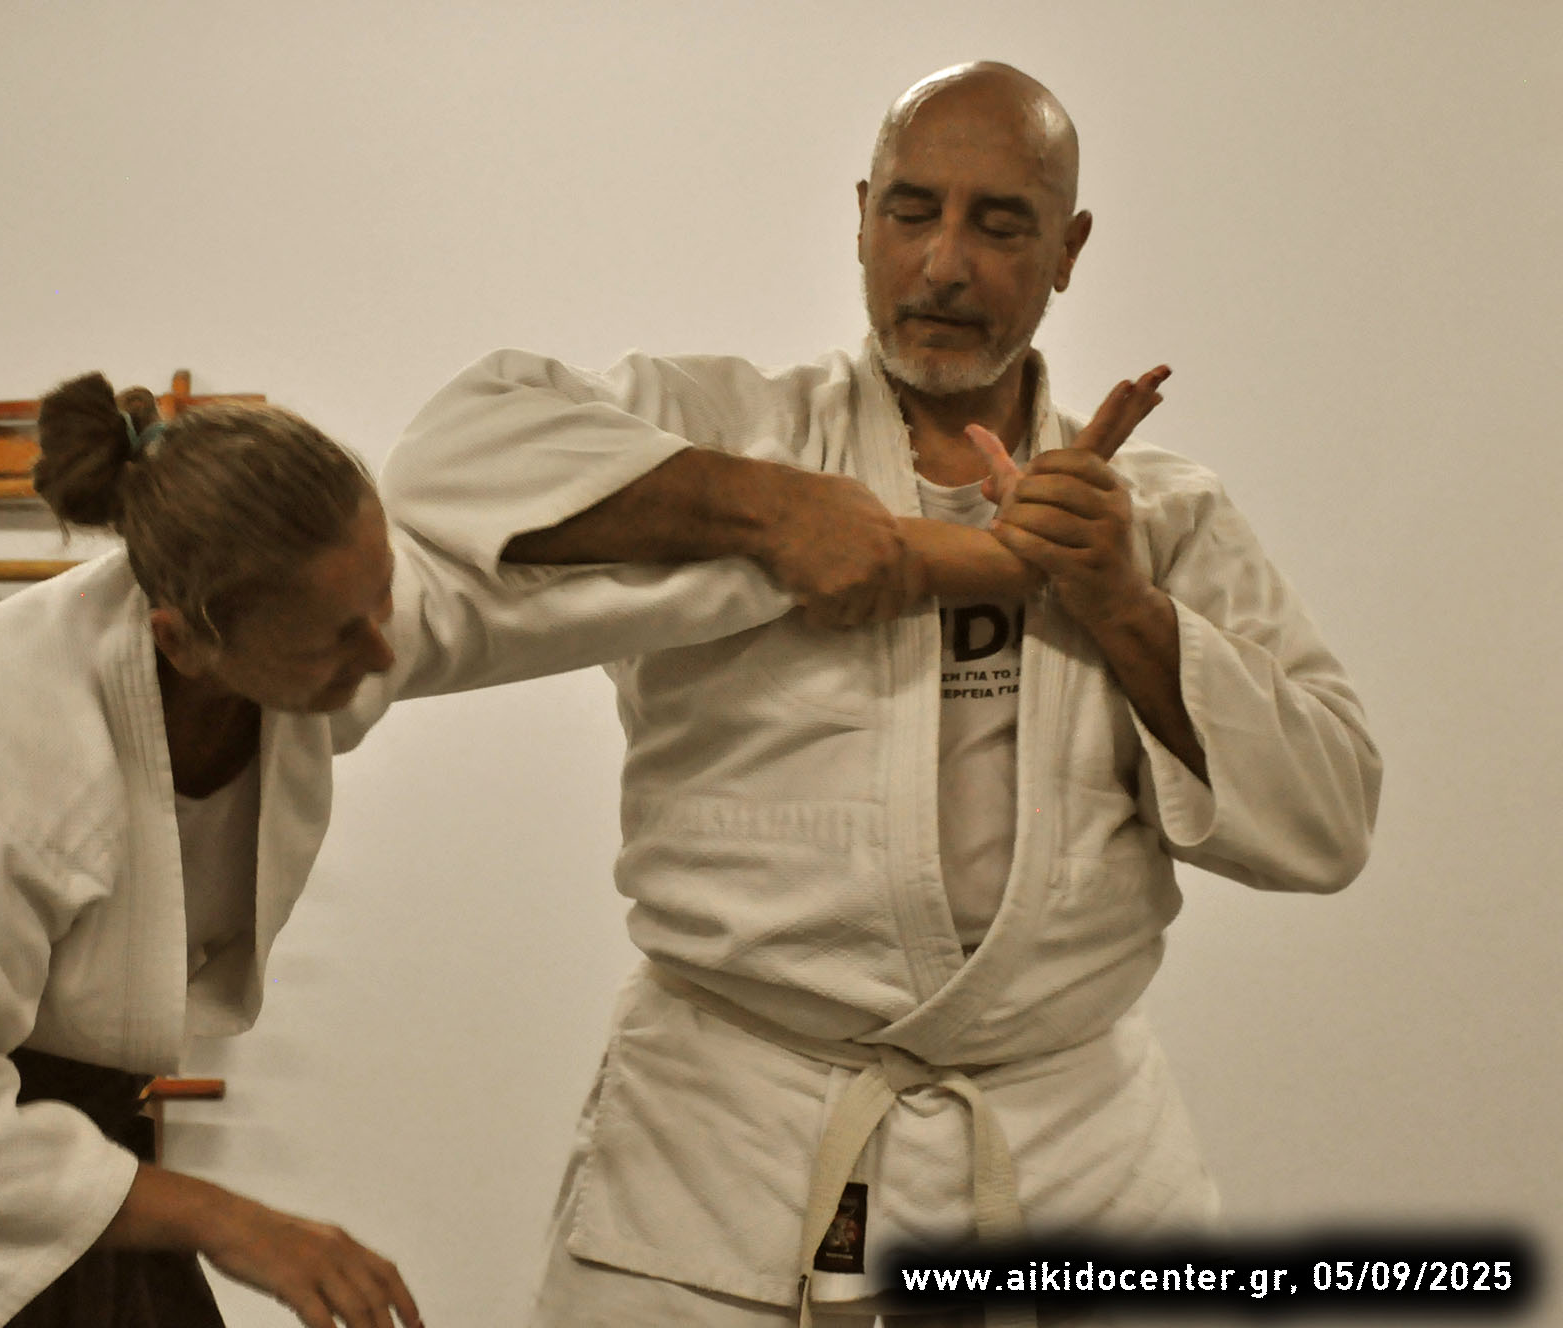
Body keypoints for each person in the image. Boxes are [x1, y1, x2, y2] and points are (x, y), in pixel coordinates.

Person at [377, 62, 1382, 1327]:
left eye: (998, 224)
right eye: (911, 212)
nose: (943, 264)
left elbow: (1327, 820)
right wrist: (763, 509)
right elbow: (444, 459)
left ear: (1067, 250)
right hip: (720, 1150)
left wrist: (1126, 608)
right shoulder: (729, 434)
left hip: (1070, 1153)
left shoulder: (1156, 516)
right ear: (861, 218)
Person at [0, 373, 856, 1328]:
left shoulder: (303, 622)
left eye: (379, 601)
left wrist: (819, 557)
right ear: (186, 639)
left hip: (48, 1128)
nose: (382, 653)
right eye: (341, 638)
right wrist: (245, 1225)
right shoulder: (4, 754)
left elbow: (517, 612)